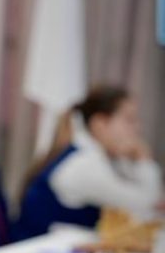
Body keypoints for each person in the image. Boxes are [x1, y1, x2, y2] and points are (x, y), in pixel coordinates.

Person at [15, 85, 163, 240]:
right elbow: (147, 205)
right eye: (129, 120)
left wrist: (130, 160)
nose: (137, 128)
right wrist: (144, 159)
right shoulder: (85, 165)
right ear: (99, 124)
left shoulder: (94, 155)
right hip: (35, 250)